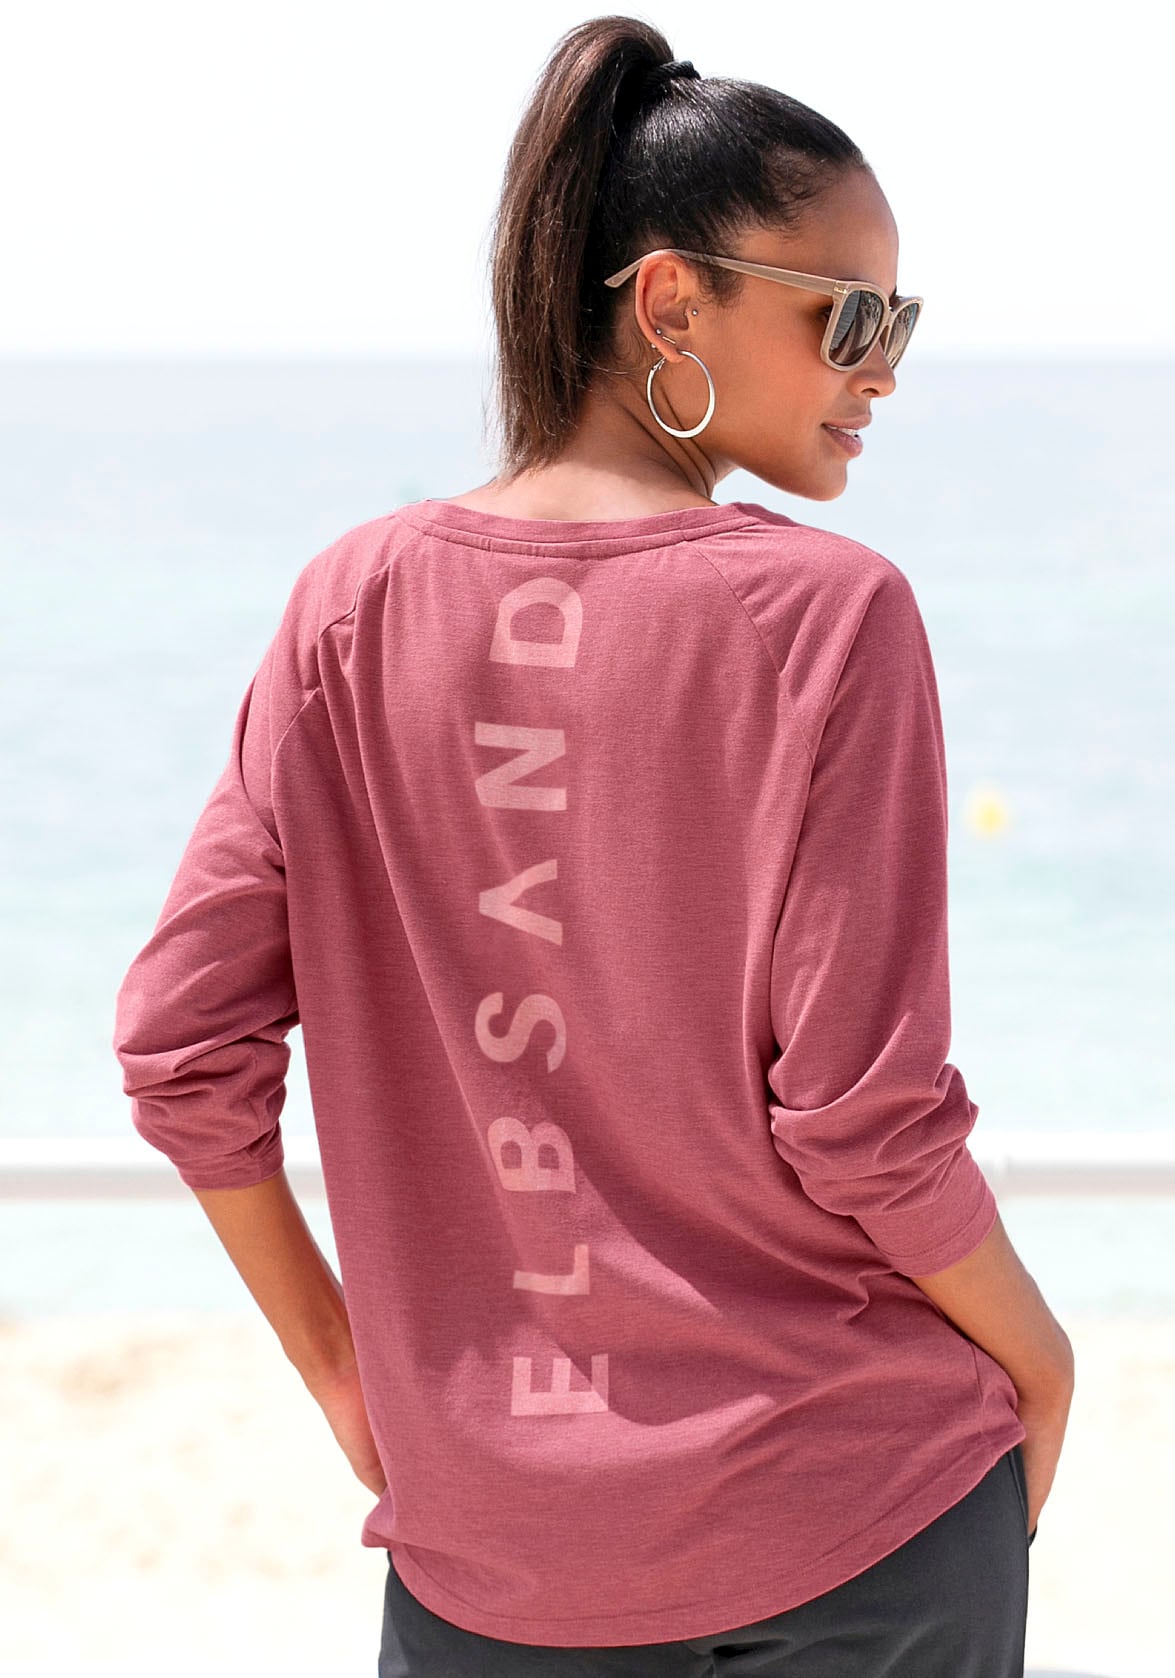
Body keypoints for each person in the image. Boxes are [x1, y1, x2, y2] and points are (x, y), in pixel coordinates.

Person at [112, 14, 1075, 1676]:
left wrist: (353, 1374)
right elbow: (863, 1116)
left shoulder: (353, 605)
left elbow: (178, 1048)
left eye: (900, 321)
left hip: (496, 1560)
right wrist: (1044, 1356)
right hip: (855, 1525)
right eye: (852, 315)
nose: (885, 368)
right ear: (671, 301)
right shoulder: (826, 616)